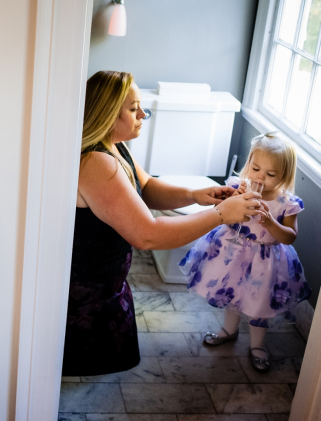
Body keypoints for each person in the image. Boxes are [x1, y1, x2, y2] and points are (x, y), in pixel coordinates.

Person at [63, 70, 264, 377]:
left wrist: (198, 194)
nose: (143, 114)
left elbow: (146, 187)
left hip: (107, 282)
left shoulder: (114, 146)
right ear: (106, 113)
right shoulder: (96, 163)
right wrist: (222, 215)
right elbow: (149, 236)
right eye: (133, 109)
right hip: (89, 290)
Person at [179, 132, 311, 372]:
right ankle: (229, 331)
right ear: (248, 163)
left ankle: (257, 345)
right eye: (255, 168)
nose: (260, 177)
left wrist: (270, 222)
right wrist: (232, 200)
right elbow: (218, 212)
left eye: (270, 175)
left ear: (284, 176)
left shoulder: (287, 202)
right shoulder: (235, 186)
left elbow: (290, 237)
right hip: (231, 253)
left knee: (259, 303)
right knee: (232, 294)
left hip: (264, 260)